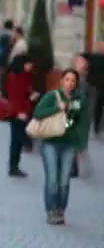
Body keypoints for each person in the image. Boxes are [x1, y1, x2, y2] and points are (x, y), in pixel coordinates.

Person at [32, 69, 89, 225]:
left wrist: (81, 144)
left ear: (76, 83)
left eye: (73, 81)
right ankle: (50, 211)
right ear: (61, 81)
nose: (70, 83)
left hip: (69, 144)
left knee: (64, 181)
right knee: (52, 179)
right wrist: (58, 108)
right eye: (67, 79)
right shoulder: (53, 96)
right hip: (51, 142)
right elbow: (38, 113)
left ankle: (60, 210)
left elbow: (83, 123)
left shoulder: (79, 99)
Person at [4, 54, 36, 178]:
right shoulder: (14, 76)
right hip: (17, 113)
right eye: (28, 63)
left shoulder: (25, 75)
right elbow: (14, 96)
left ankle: (14, 166)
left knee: (17, 140)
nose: (31, 66)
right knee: (17, 140)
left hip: (24, 111)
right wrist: (19, 113)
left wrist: (31, 95)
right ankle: (13, 167)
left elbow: (25, 92)